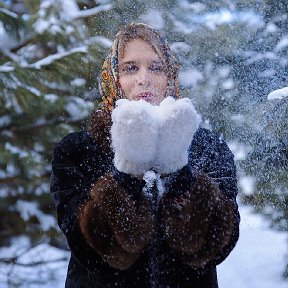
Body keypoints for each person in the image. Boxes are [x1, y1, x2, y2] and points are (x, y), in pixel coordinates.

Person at [50, 22, 240, 288]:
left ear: (170, 77)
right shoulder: (79, 150)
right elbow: (89, 252)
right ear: (114, 78)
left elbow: (217, 246)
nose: (144, 79)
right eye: (130, 68)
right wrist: (128, 172)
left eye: (156, 67)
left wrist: (179, 172)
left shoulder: (207, 146)